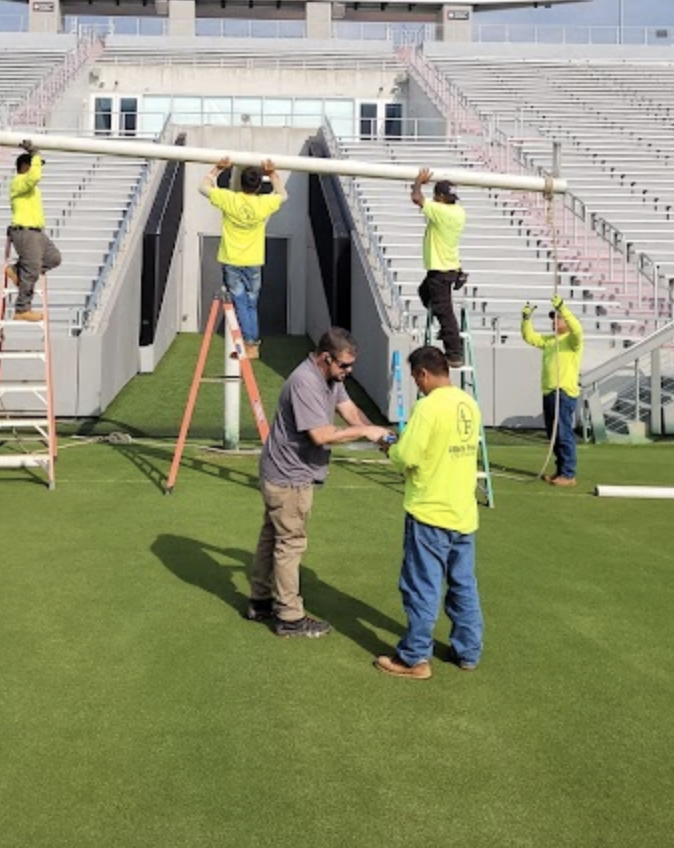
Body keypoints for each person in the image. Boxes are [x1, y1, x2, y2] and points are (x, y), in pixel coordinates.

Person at [247, 328, 390, 637]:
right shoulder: (305, 382)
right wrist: (367, 434)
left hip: (282, 472)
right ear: (326, 358)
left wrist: (381, 435)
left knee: (272, 536)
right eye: (344, 366)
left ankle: (259, 601)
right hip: (289, 477)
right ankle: (289, 616)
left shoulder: (330, 378)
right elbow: (322, 435)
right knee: (291, 543)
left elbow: (350, 411)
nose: (348, 372)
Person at [375, 344, 484, 680]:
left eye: (415, 379)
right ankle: (468, 651)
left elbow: (407, 456)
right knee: (463, 586)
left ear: (423, 373)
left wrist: (389, 446)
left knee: (421, 586)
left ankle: (415, 658)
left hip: (430, 512)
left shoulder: (428, 407)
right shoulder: (469, 403)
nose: (417, 385)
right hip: (463, 513)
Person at [199, 156, 286, 358]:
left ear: (240, 183)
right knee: (251, 302)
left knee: (239, 301)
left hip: (231, 259)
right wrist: (272, 173)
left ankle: (249, 342)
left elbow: (203, 187)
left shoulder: (229, 198)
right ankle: (252, 343)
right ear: (257, 186)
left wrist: (217, 168)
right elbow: (283, 194)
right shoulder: (264, 203)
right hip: (254, 260)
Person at [521, 295, 584, 486]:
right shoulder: (550, 341)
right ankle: (561, 471)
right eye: (553, 318)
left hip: (563, 393)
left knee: (564, 433)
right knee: (554, 435)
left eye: (558, 318)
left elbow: (578, 329)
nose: (554, 322)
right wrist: (526, 320)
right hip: (550, 392)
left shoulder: (573, 341)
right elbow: (530, 337)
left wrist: (563, 308)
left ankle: (568, 473)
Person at [410, 169, 467, 367]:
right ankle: (446, 331)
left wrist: (418, 181)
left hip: (441, 270)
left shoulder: (440, 211)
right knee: (424, 292)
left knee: (445, 311)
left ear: (440, 197)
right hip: (450, 267)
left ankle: (454, 353)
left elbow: (417, 198)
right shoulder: (458, 212)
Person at [7, 140, 62, 321]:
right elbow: (34, 177)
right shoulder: (18, 182)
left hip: (36, 232)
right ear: (25, 167)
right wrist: (35, 154)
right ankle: (22, 309)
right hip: (25, 231)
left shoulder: (30, 187)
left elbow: (34, 178)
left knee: (54, 258)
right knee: (32, 269)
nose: (37, 170)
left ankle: (17, 271)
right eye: (33, 165)